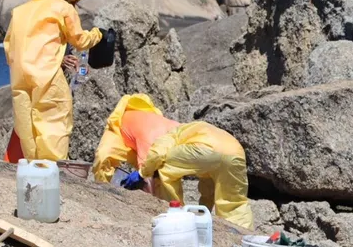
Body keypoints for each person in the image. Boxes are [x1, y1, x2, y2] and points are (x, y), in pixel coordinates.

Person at [93, 94, 254, 228]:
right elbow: (209, 189)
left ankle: (172, 214)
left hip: (207, 149)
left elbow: (157, 153)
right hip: (236, 152)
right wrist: (201, 212)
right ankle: (243, 236)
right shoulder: (187, 129)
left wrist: (142, 173)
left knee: (163, 166)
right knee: (235, 203)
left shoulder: (171, 135)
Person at [3, 0, 102, 163]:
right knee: (54, 121)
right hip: (46, 74)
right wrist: (97, 35)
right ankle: (51, 172)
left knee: (27, 127)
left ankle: (30, 168)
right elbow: (80, 40)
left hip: (19, 76)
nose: (72, 4)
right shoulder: (62, 7)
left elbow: (8, 46)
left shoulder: (20, 10)